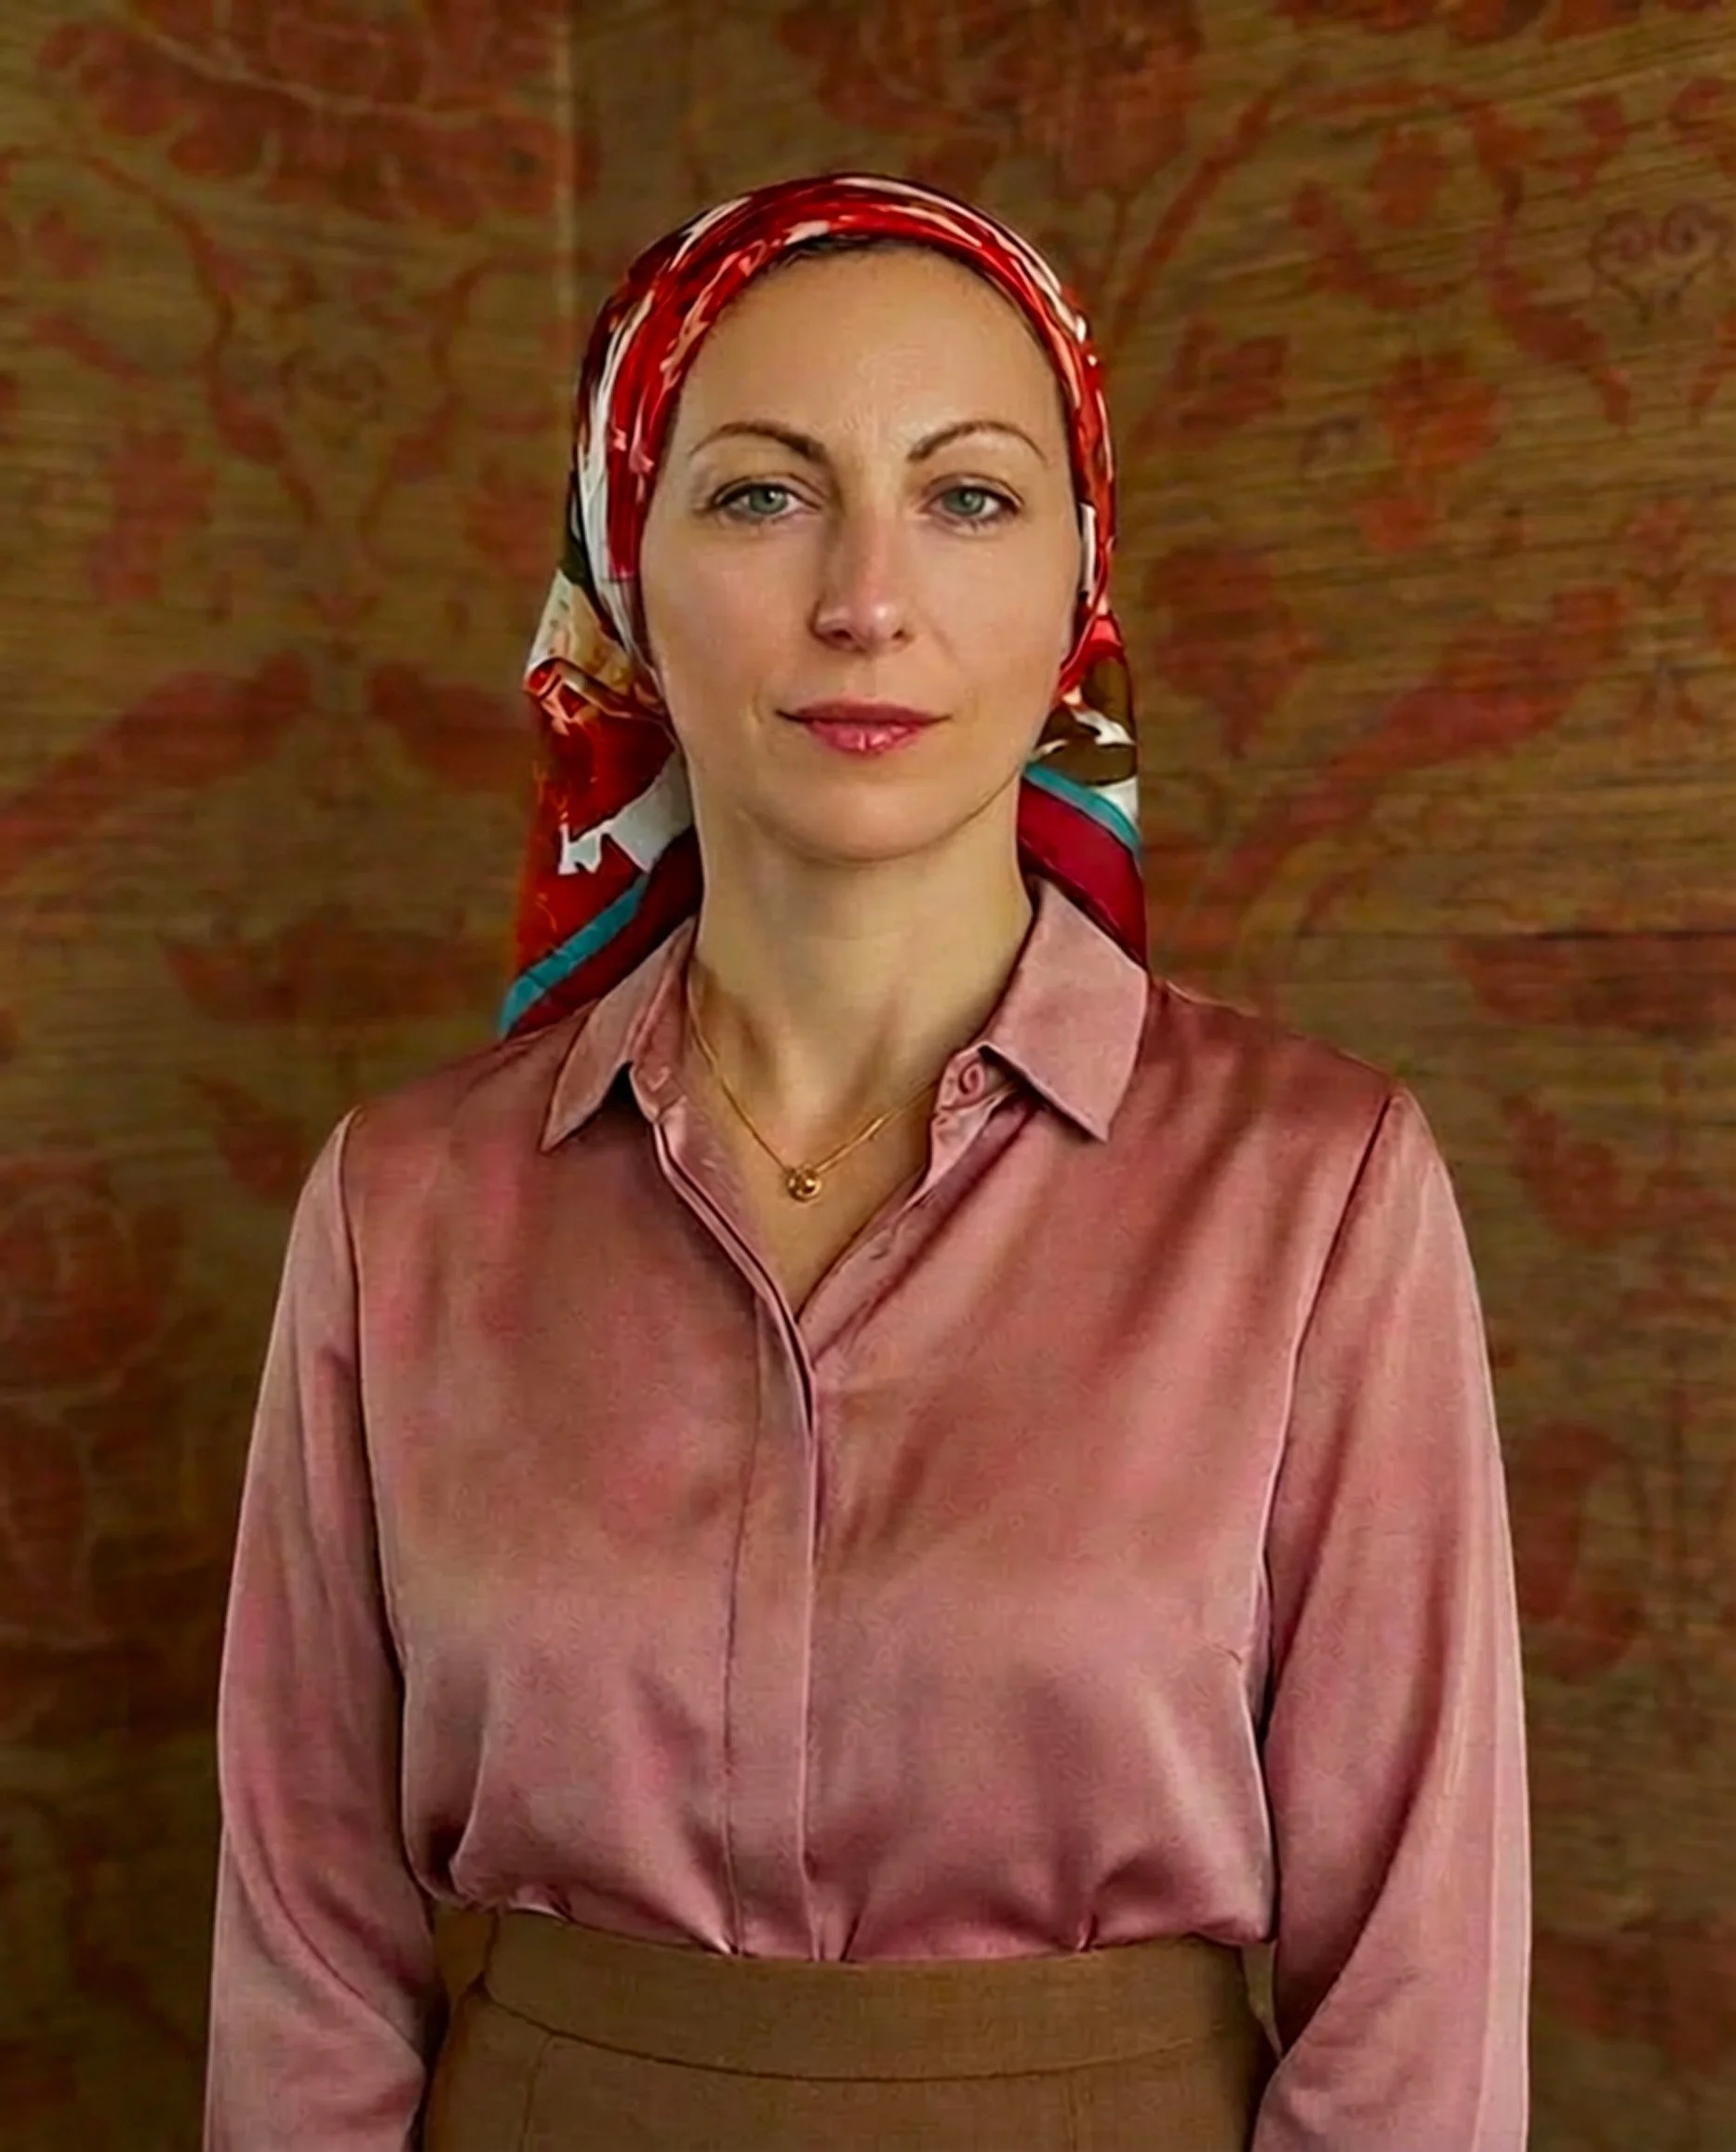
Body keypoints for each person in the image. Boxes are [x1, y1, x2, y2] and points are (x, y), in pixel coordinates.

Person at [203, 172, 1530, 2151]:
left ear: (1083, 579)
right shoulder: (402, 1210)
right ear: (621, 569)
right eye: (761, 492)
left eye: (969, 495)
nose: (868, 597)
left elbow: (1418, 2004)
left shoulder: (1318, 1192)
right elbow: (303, 1958)